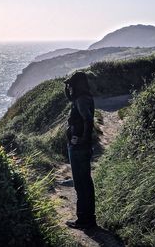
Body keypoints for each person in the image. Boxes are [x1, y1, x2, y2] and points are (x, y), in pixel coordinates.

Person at [64, 71, 97, 230]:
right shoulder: (82, 97)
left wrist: (82, 139)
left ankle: (84, 220)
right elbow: (71, 99)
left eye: (72, 84)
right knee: (85, 183)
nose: (70, 87)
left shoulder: (82, 99)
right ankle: (88, 218)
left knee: (81, 184)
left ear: (77, 85)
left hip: (79, 148)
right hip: (81, 147)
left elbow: (88, 120)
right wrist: (66, 87)